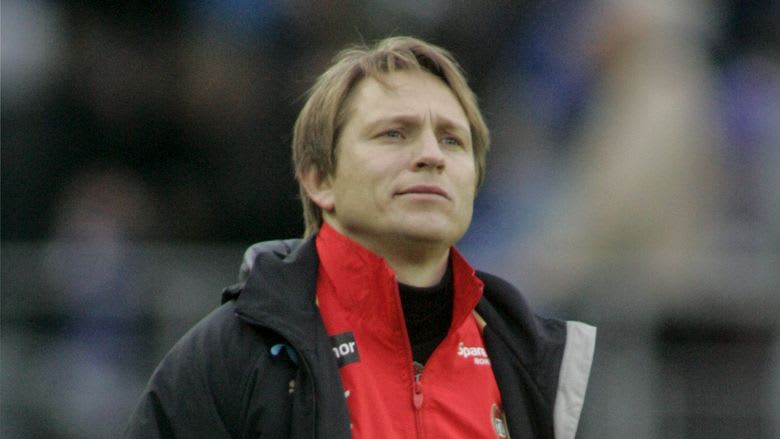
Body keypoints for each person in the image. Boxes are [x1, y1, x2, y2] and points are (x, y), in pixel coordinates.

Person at [124, 36, 596, 439]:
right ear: (319, 178)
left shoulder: (534, 366)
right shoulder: (232, 356)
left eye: (453, 140)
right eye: (394, 134)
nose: (431, 155)